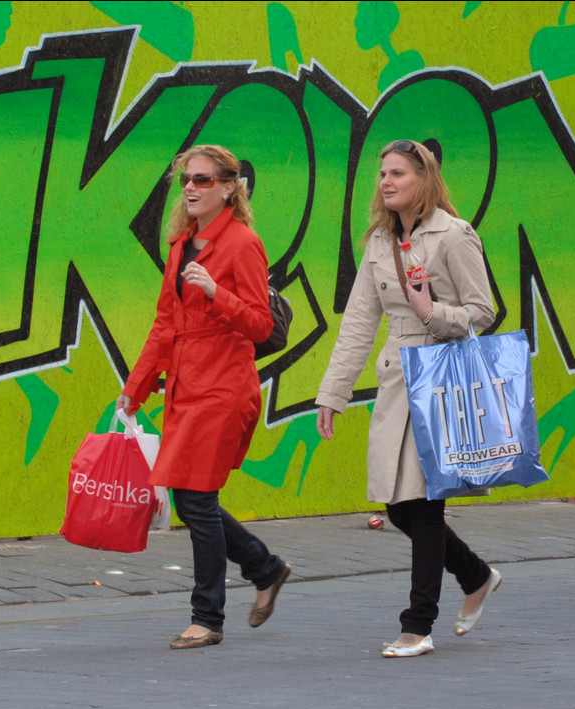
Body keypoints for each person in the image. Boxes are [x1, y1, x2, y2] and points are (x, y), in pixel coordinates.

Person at [315, 139, 502, 658]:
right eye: (382, 173)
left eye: (398, 172)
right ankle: (476, 575)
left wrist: (430, 312)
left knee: (423, 506)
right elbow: (358, 322)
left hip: (441, 376)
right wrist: (333, 393)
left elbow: (482, 312)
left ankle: (417, 626)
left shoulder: (454, 235)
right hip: (398, 377)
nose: (386, 181)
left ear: (425, 178)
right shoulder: (379, 239)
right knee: (398, 507)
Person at [118, 144, 292, 650]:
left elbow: (262, 325)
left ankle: (208, 616)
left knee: (197, 498)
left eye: (202, 180)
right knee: (194, 499)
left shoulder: (242, 244)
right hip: (185, 388)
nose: (191, 188)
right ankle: (265, 568)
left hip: (222, 385)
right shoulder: (181, 244)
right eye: (185, 182)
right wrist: (134, 388)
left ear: (229, 188)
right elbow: (164, 324)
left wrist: (218, 292)